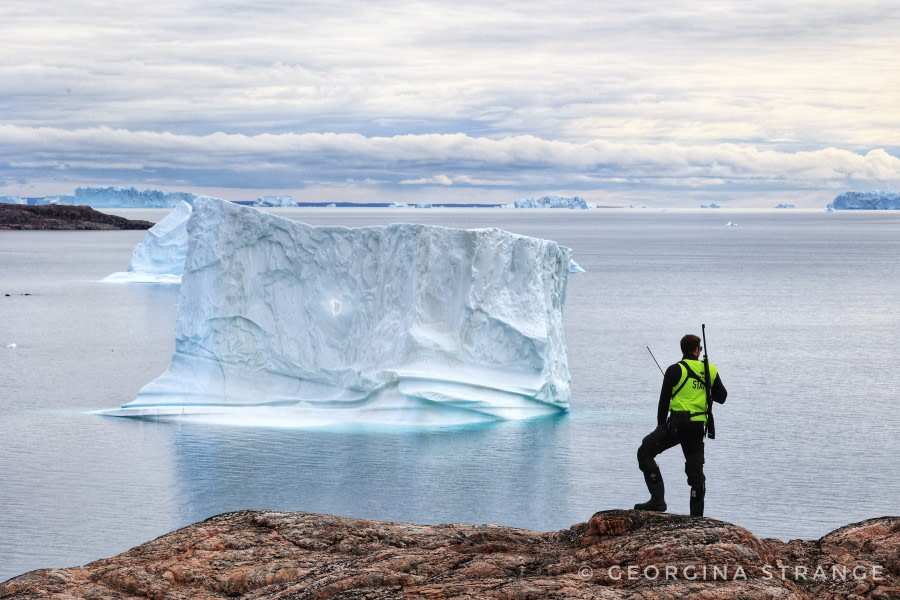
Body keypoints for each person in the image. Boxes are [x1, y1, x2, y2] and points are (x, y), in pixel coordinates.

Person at [635, 334, 727, 516]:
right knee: (696, 474)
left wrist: (660, 428)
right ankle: (697, 518)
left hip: (677, 426)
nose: (700, 352)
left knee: (645, 452)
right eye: (699, 349)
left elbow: (663, 403)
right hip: (697, 428)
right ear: (696, 350)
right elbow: (722, 397)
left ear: (683, 350)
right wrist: (705, 389)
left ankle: (657, 501)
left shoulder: (675, 370)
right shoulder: (710, 370)